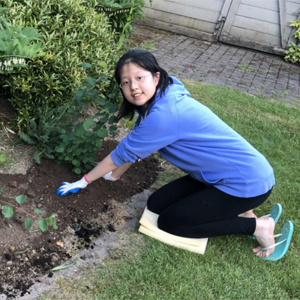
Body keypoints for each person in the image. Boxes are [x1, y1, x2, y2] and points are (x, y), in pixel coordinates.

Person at [57, 49, 277, 259]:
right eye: (126, 82)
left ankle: (257, 226)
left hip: (246, 182)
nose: (133, 87)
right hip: (223, 175)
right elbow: (133, 147)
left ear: (156, 76)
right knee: (156, 204)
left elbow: (121, 154)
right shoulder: (165, 94)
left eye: (139, 78)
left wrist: (84, 181)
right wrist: (114, 176)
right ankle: (241, 210)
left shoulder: (166, 114)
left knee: (171, 223)